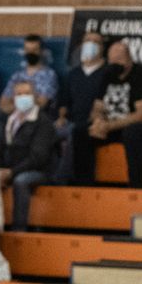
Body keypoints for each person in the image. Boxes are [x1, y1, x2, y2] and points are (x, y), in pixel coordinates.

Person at [76, 40, 142, 188]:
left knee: (132, 133)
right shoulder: (107, 75)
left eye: (119, 60)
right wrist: (98, 122)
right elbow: (97, 106)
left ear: (129, 59)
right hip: (109, 126)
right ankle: (84, 185)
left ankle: (136, 185)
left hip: (134, 126)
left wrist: (109, 126)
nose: (115, 64)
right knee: (80, 132)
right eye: (112, 60)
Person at [0, 34, 58, 158]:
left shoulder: (49, 74)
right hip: (14, 116)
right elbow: (2, 104)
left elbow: (42, 104)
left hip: (37, 118)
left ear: (41, 52)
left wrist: (20, 104)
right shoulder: (17, 76)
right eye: (28, 50)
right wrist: (21, 108)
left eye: (34, 50)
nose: (31, 53)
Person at [0, 79, 56, 230]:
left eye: (27, 93)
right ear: (13, 97)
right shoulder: (10, 120)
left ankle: (19, 230)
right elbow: (2, 148)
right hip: (13, 168)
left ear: (35, 96)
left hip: (40, 171)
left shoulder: (43, 122)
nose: (23, 97)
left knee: (21, 181)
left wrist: (11, 172)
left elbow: (39, 157)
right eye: (19, 94)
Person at [54, 30, 109, 183]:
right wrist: (61, 117)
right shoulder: (73, 74)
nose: (90, 44)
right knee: (46, 132)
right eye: (87, 41)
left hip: (91, 124)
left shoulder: (107, 73)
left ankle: (62, 179)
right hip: (70, 121)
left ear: (102, 47)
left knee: (76, 133)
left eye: (95, 42)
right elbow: (64, 102)